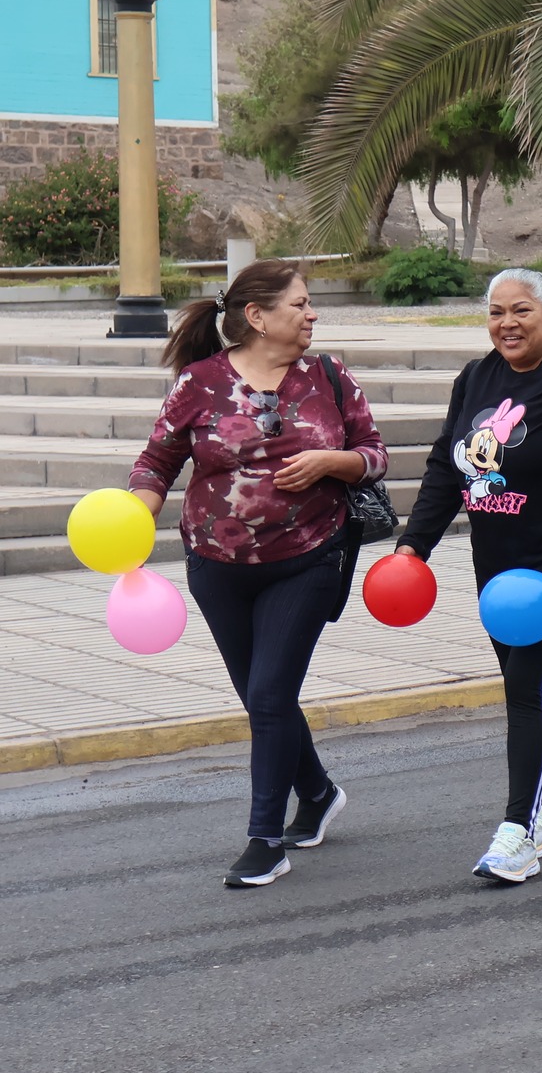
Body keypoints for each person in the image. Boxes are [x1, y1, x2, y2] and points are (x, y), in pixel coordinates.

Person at [129, 260, 389, 889]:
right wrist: (131, 524)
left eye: (310, 303)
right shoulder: (199, 382)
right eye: (299, 303)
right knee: (261, 696)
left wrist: (335, 460)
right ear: (257, 316)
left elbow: (376, 456)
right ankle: (319, 794)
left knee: (270, 695)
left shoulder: (330, 377)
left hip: (307, 558)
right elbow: (156, 462)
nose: (311, 314)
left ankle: (265, 840)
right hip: (215, 566)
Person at [396, 268, 542, 882]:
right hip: (496, 565)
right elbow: (448, 468)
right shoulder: (476, 378)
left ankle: (519, 832)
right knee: (530, 688)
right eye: (497, 311)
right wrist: (413, 545)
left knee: (528, 689)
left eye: (522, 310)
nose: (508, 323)